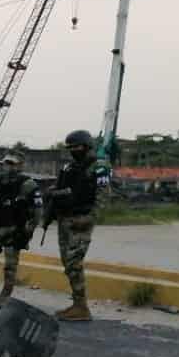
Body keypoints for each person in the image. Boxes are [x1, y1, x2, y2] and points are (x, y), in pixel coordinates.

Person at [45, 129, 108, 321]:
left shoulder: (99, 167)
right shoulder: (69, 168)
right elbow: (60, 187)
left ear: (87, 146)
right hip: (65, 220)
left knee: (74, 263)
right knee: (68, 264)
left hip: (81, 221)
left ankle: (81, 307)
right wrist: (52, 193)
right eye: (70, 147)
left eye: (76, 147)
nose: (73, 150)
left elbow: (102, 197)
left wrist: (90, 219)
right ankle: (77, 304)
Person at [0, 152, 41, 304]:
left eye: (11, 164)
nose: (7, 167)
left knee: (10, 269)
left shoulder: (28, 184)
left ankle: (4, 301)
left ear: (19, 165)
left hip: (14, 231)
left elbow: (37, 211)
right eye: (6, 163)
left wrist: (27, 231)